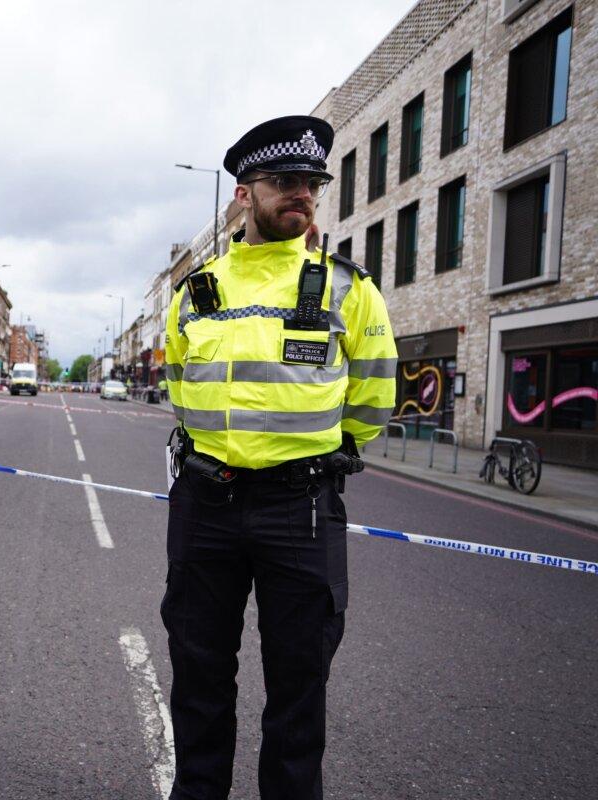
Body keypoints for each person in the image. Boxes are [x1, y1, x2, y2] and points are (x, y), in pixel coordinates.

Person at [161, 115, 397, 800]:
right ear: (244, 193)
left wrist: (317, 457)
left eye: (312, 184)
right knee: (199, 678)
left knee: (299, 688)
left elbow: (375, 398)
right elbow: (181, 391)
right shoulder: (197, 292)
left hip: (302, 510)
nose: (303, 194)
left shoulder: (348, 289)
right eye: (285, 182)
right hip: (206, 505)